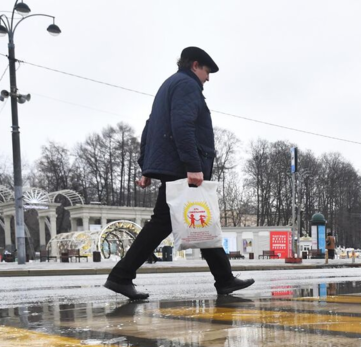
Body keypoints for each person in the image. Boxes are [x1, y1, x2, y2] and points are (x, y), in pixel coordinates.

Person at [104, 47, 254, 300]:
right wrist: (193, 166)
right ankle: (121, 276)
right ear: (196, 65)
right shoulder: (186, 85)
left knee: (190, 220)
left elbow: (150, 126)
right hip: (182, 167)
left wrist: (146, 166)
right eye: (207, 72)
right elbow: (182, 126)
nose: (208, 79)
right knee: (190, 219)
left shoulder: (168, 86)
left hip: (173, 165)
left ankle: (224, 278)